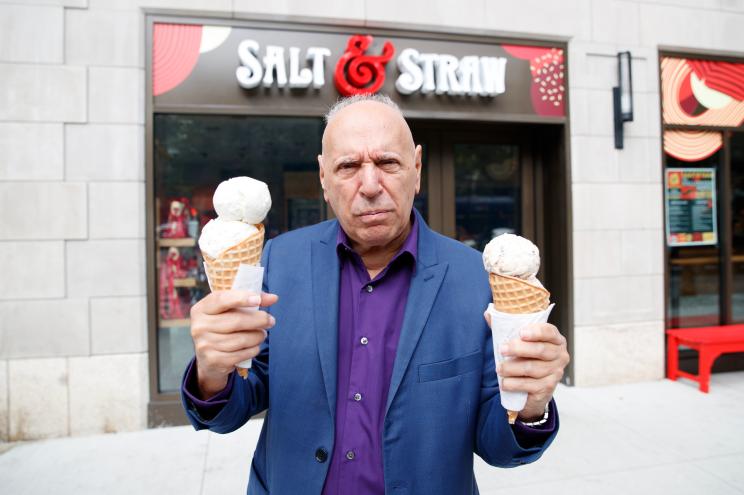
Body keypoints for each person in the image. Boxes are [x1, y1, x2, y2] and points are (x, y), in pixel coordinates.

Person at [181, 94, 570, 494]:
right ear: (323, 178)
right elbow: (231, 409)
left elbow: (499, 448)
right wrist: (213, 372)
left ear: (416, 169)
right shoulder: (279, 260)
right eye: (348, 166)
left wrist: (531, 405)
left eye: (387, 163)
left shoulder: (475, 279)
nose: (369, 186)